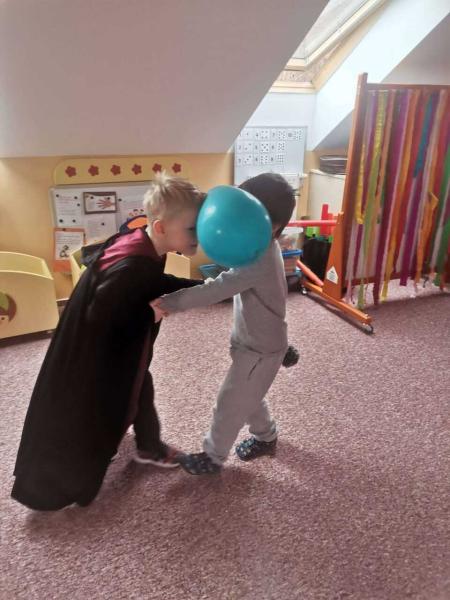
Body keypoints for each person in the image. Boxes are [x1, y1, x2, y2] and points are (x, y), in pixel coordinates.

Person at [11, 173, 205, 510]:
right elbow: (102, 313)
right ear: (160, 227)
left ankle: (149, 445)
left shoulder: (141, 243)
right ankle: (51, 488)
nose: (199, 236)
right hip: (96, 362)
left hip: (115, 353)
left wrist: (203, 288)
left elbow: (151, 282)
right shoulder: (132, 266)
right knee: (95, 415)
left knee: (142, 385)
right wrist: (150, 314)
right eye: (192, 229)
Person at [152, 173, 296, 474]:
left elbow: (217, 289)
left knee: (231, 401)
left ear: (272, 226)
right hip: (253, 342)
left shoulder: (259, 258)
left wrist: (170, 302)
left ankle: (213, 456)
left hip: (260, 348)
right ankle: (266, 436)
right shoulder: (256, 247)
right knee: (249, 395)